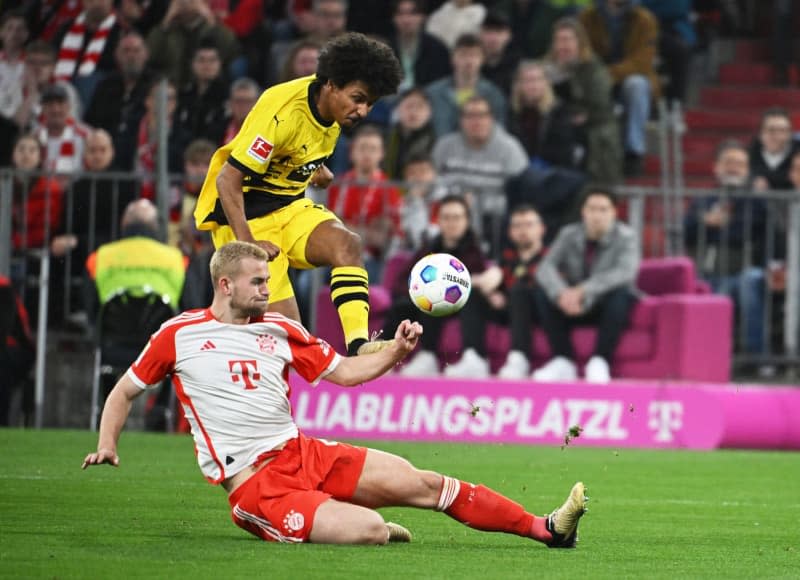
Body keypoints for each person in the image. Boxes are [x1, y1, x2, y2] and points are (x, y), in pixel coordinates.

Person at [82, 239, 589, 546]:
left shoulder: (280, 330)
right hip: (258, 488)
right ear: (224, 285)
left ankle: (546, 528)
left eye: (267, 280)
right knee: (370, 529)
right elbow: (123, 393)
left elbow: (345, 373)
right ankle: (351, 521)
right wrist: (108, 444)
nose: (267, 289)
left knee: (425, 484)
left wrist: (396, 349)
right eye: (257, 281)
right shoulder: (179, 334)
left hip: (304, 454)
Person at [193, 32, 404, 357]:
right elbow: (228, 179)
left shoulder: (334, 110)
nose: (363, 111)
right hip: (247, 217)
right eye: (358, 98)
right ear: (332, 84)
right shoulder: (282, 111)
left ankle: (359, 345)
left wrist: (315, 168)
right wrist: (247, 245)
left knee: (347, 244)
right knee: (287, 340)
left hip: (291, 206)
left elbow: (298, 148)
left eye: (370, 103)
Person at [533, 187, 640, 383]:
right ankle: (563, 360)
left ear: (614, 212)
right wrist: (561, 293)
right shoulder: (568, 234)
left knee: (622, 293)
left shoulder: (627, 237)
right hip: (572, 305)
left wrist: (583, 291)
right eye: (592, 209)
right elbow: (545, 267)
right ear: (583, 211)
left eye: (603, 209)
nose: (597, 215)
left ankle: (600, 360)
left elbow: (625, 272)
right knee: (541, 291)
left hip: (603, 304)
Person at [387, 194, 493, 377]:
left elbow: (484, 284)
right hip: (428, 306)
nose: (452, 223)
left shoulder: (475, 252)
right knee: (408, 302)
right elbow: (400, 282)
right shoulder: (428, 249)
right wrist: (420, 289)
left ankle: (473, 358)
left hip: (464, 306)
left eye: (457, 217)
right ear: (438, 221)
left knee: (468, 295)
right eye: (447, 217)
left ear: (467, 221)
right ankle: (383, 358)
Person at [683, 140, 767, 358]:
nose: (734, 168)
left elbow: (749, 233)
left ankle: (755, 356)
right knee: (699, 286)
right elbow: (684, 231)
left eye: (740, 164)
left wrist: (722, 225)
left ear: (747, 170)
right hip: (706, 272)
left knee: (748, 282)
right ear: (716, 167)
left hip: (741, 272)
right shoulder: (702, 200)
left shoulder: (757, 201)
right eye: (729, 162)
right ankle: (700, 357)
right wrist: (704, 223)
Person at [579, 0, 660, 177]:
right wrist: (599, 76)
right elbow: (584, 53)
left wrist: (608, 74)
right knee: (585, 82)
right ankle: (586, 151)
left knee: (636, 85)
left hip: (627, 79)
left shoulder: (645, 20)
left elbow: (642, 62)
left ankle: (634, 152)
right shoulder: (587, 17)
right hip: (595, 78)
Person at [544, 17, 622, 184]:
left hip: (592, 131)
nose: (563, 45)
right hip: (556, 129)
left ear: (580, 42)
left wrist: (575, 115)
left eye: (568, 40)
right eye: (559, 40)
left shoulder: (594, 69)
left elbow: (600, 106)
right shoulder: (546, 69)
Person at [326, 124, 403, 284]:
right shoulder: (338, 185)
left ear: (382, 154)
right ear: (352, 152)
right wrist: (365, 232)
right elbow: (329, 227)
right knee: (307, 283)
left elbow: (382, 239)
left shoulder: (389, 189)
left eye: (373, 149)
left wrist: (348, 228)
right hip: (336, 255)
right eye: (362, 148)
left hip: (373, 259)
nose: (367, 154)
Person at [495, 204, 548, 379]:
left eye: (528, 224)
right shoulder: (507, 257)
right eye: (517, 225)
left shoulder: (551, 257)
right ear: (510, 231)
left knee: (519, 291)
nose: (523, 230)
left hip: (541, 310)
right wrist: (490, 293)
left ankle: (519, 357)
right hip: (509, 309)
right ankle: (474, 356)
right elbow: (496, 281)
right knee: (473, 295)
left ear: (541, 229)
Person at [425, 33, 507, 138]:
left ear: (482, 59)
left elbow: (499, 134)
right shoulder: (432, 93)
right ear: (453, 58)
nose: (469, 61)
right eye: (463, 55)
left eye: (474, 55)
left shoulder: (494, 95)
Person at [388, 0, 451, 93]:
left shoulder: (437, 48)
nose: (406, 19)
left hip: (429, 99)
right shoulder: (386, 47)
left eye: (412, 14)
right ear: (394, 18)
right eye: (400, 14)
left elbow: (441, 82)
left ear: (423, 17)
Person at [749, 107, 800, 192]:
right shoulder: (750, 152)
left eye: (782, 130)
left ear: (790, 133)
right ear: (761, 132)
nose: (777, 136)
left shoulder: (798, 151)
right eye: (771, 130)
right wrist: (752, 181)